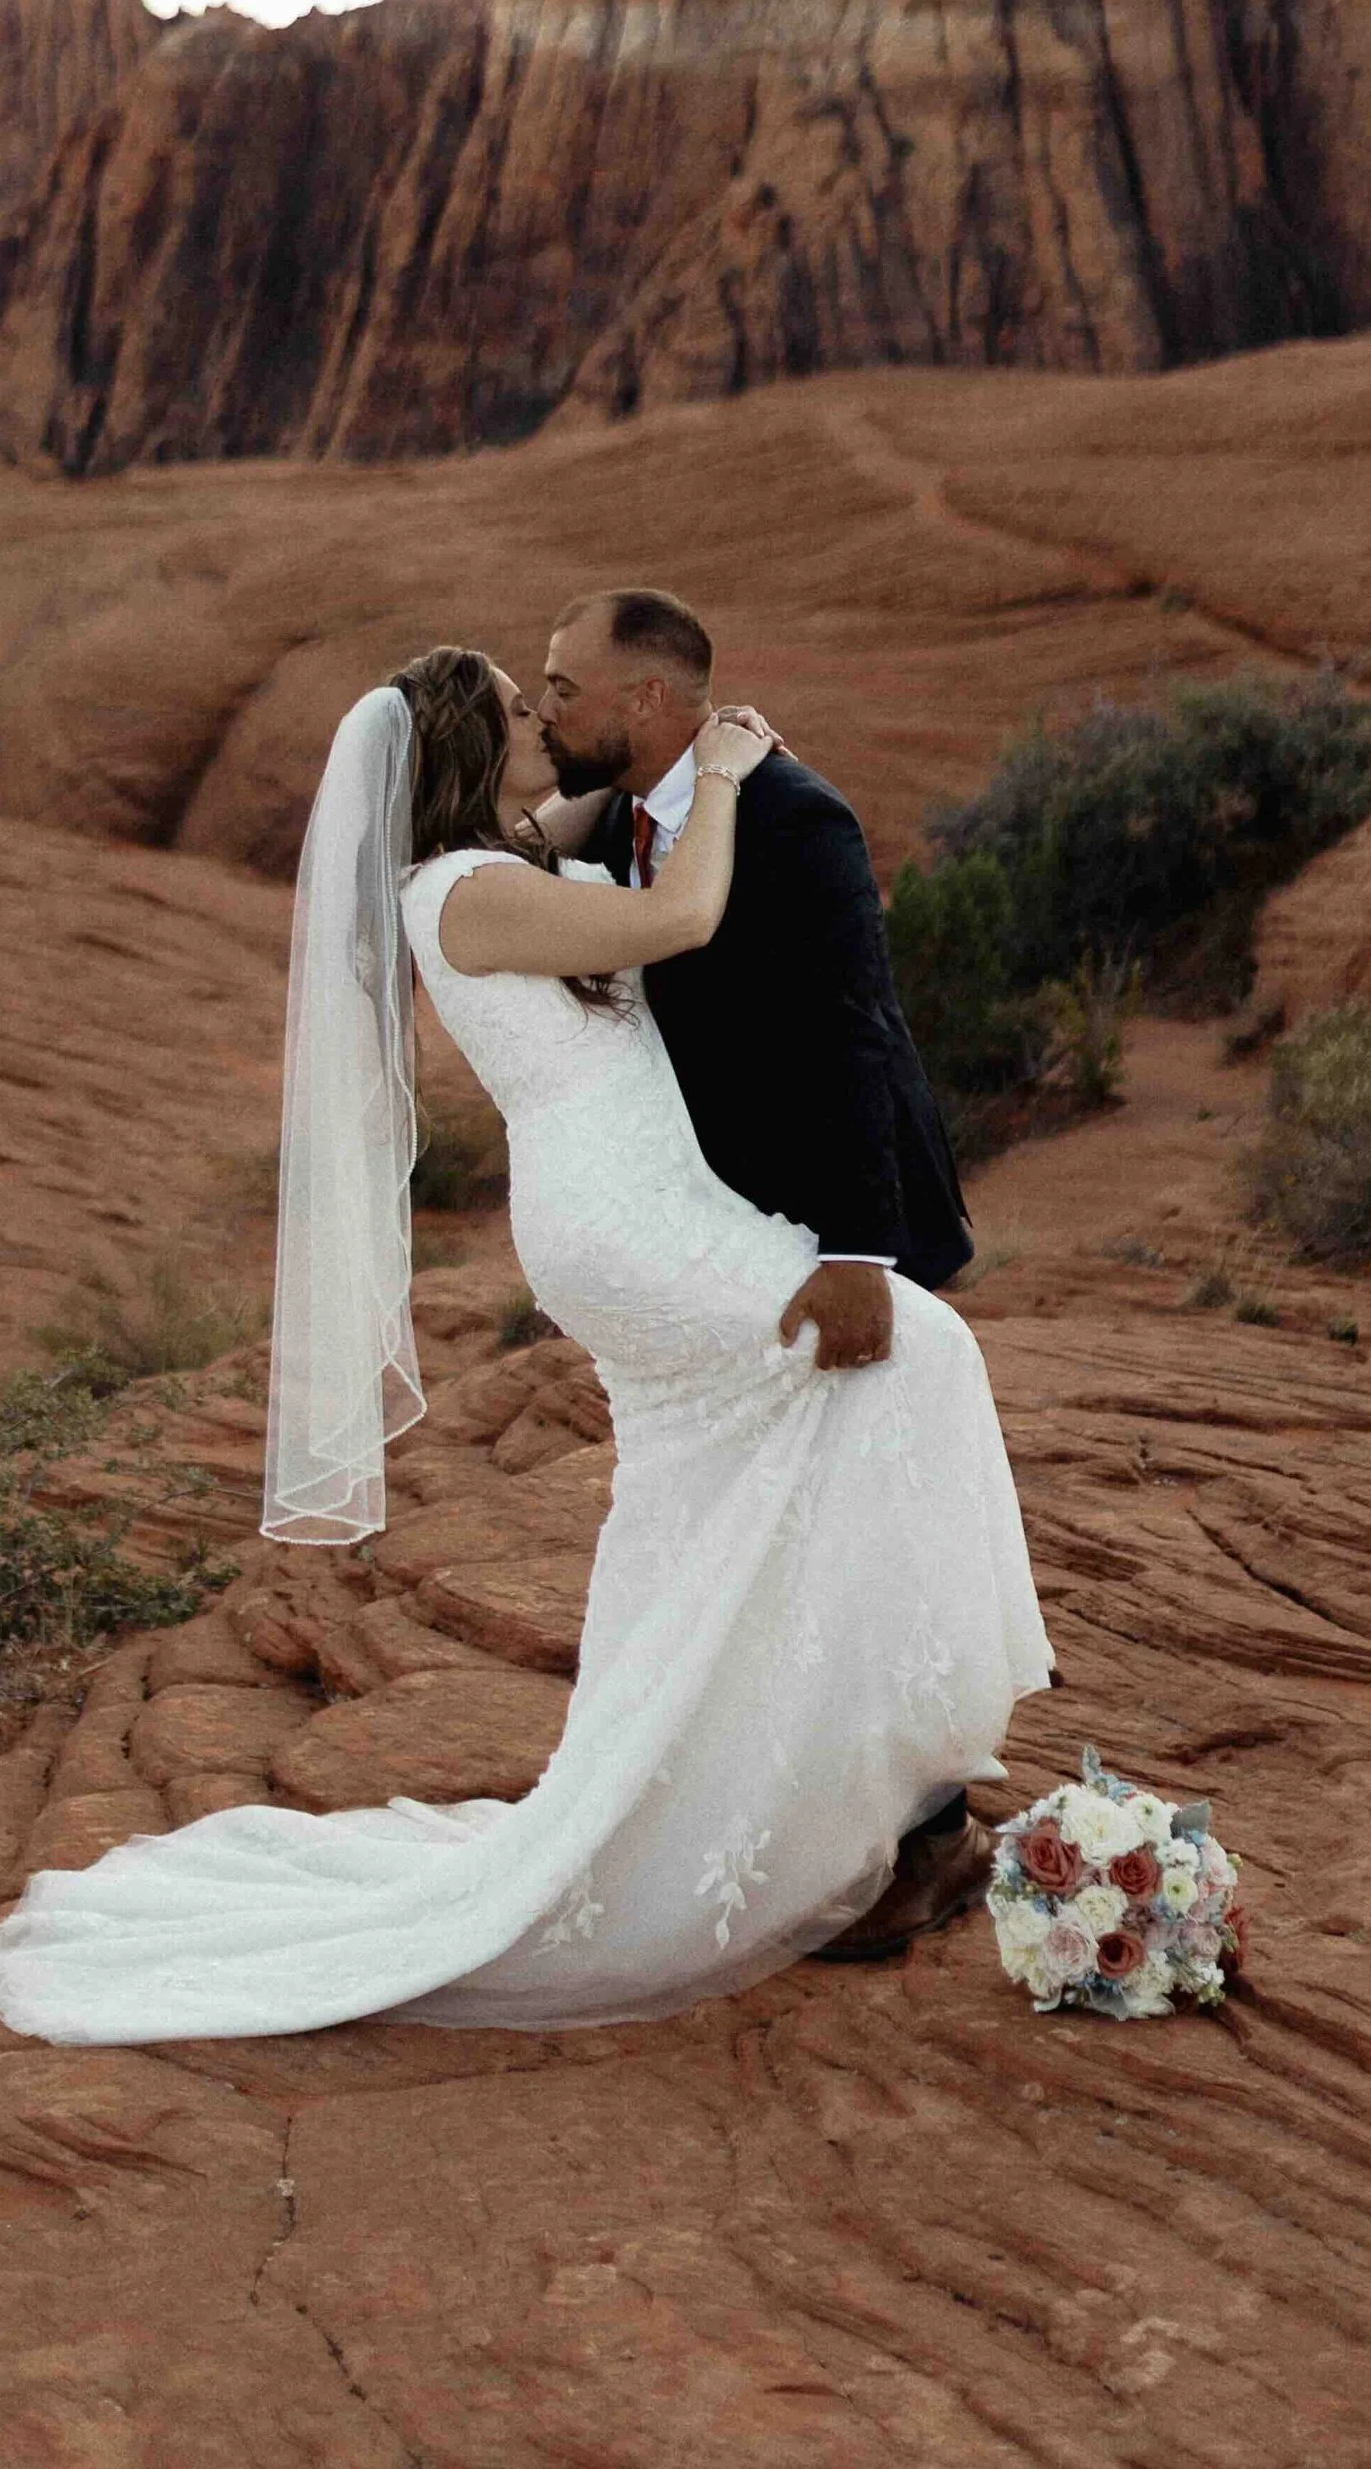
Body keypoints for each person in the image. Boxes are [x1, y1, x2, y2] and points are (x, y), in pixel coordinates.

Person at [0, 643, 1050, 2045]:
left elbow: (596, 828)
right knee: (909, 1361)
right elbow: (679, 916)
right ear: (464, 749)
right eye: (517, 703)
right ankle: (856, 1803)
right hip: (623, 1216)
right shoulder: (469, 897)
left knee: (705, 1479)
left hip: (643, 1195)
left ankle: (837, 1800)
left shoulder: (489, 859)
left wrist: (663, 769)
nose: (542, 715)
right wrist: (726, 772)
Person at [542, 584, 992, 1954]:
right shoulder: (617, 822)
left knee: (870, 1529)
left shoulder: (799, 817)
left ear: (650, 701)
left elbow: (858, 1031)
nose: (545, 703)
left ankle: (930, 1836)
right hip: (727, 1229)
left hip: (830, 1228)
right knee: (781, 1538)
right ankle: (830, 1817)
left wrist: (858, 1253)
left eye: (567, 685)